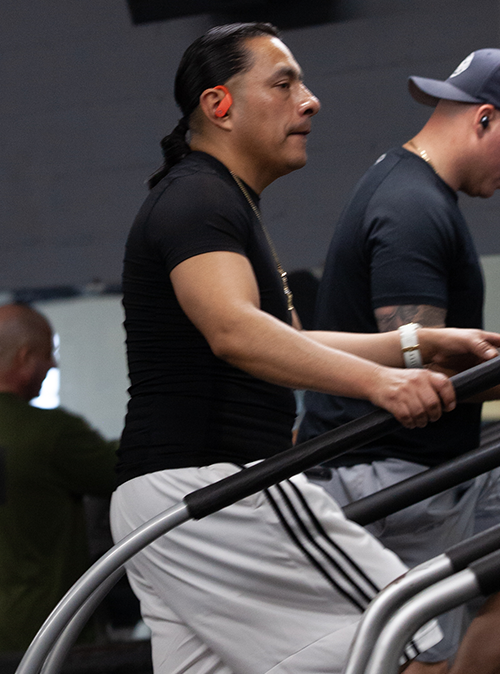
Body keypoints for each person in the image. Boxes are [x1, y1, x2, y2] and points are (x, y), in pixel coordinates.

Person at [109, 24, 500, 674]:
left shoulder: (220, 201)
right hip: (219, 488)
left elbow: (284, 338)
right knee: (410, 645)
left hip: (164, 503)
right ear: (219, 105)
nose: (310, 101)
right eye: (284, 83)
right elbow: (234, 331)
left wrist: (414, 344)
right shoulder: (198, 199)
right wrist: (383, 385)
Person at [297, 48, 500, 672]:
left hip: (424, 469)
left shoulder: (414, 190)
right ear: (487, 120)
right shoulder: (412, 210)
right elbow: (419, 376)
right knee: (416, 661)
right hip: (391, 476)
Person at [0, 303, 117, 656]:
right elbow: (127, 468)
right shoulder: (51, 433)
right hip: (42, 627)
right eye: (47, 355)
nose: (52, 365)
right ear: (24, 357)